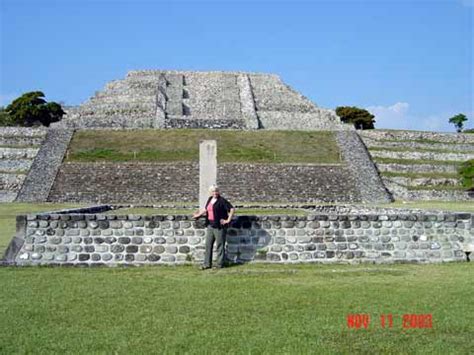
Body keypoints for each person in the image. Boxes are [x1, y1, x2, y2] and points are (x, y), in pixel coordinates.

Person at [192, 185, 235, 270]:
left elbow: (232, 209)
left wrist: (228, 220)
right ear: (210, 192)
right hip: (210, 225)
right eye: (213, 191)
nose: (215, 193)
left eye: (216, 191)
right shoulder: (210, 199)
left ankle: (219, 264)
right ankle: (207, 264)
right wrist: (198, 215)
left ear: (218, 191)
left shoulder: (222, 200)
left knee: (220, 245)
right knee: (208, 245)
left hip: (219, 226)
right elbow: (206, 209)